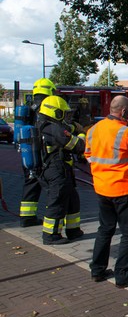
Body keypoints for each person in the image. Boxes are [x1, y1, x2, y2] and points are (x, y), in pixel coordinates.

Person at [85, 96, 128, 287]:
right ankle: (123, 275)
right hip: (122, 188)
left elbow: (88, 154)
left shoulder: (93, 129)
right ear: (125, 112)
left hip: (102, 187)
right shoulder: (125, 132)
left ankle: (97, 270)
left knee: (105, 229)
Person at [38, 95, 86, 245]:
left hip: (60, 169)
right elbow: (78, 146)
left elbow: (65, 129)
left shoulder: (48, 126)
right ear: (56, 113)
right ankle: (51, 235)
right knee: (57, 202)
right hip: (56, 170)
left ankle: (73, 230)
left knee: (72, 199)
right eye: (64, 113)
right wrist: (83, 134)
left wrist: (73, 127)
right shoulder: (53, 129)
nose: (66, 116)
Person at [19, 78, 56, 227]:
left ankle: (26, 218)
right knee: (52, 188)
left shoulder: (28, 107)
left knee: (30, 184)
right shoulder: (46, 107)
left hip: (27, 153)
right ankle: (53, 221)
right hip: (43, 154)